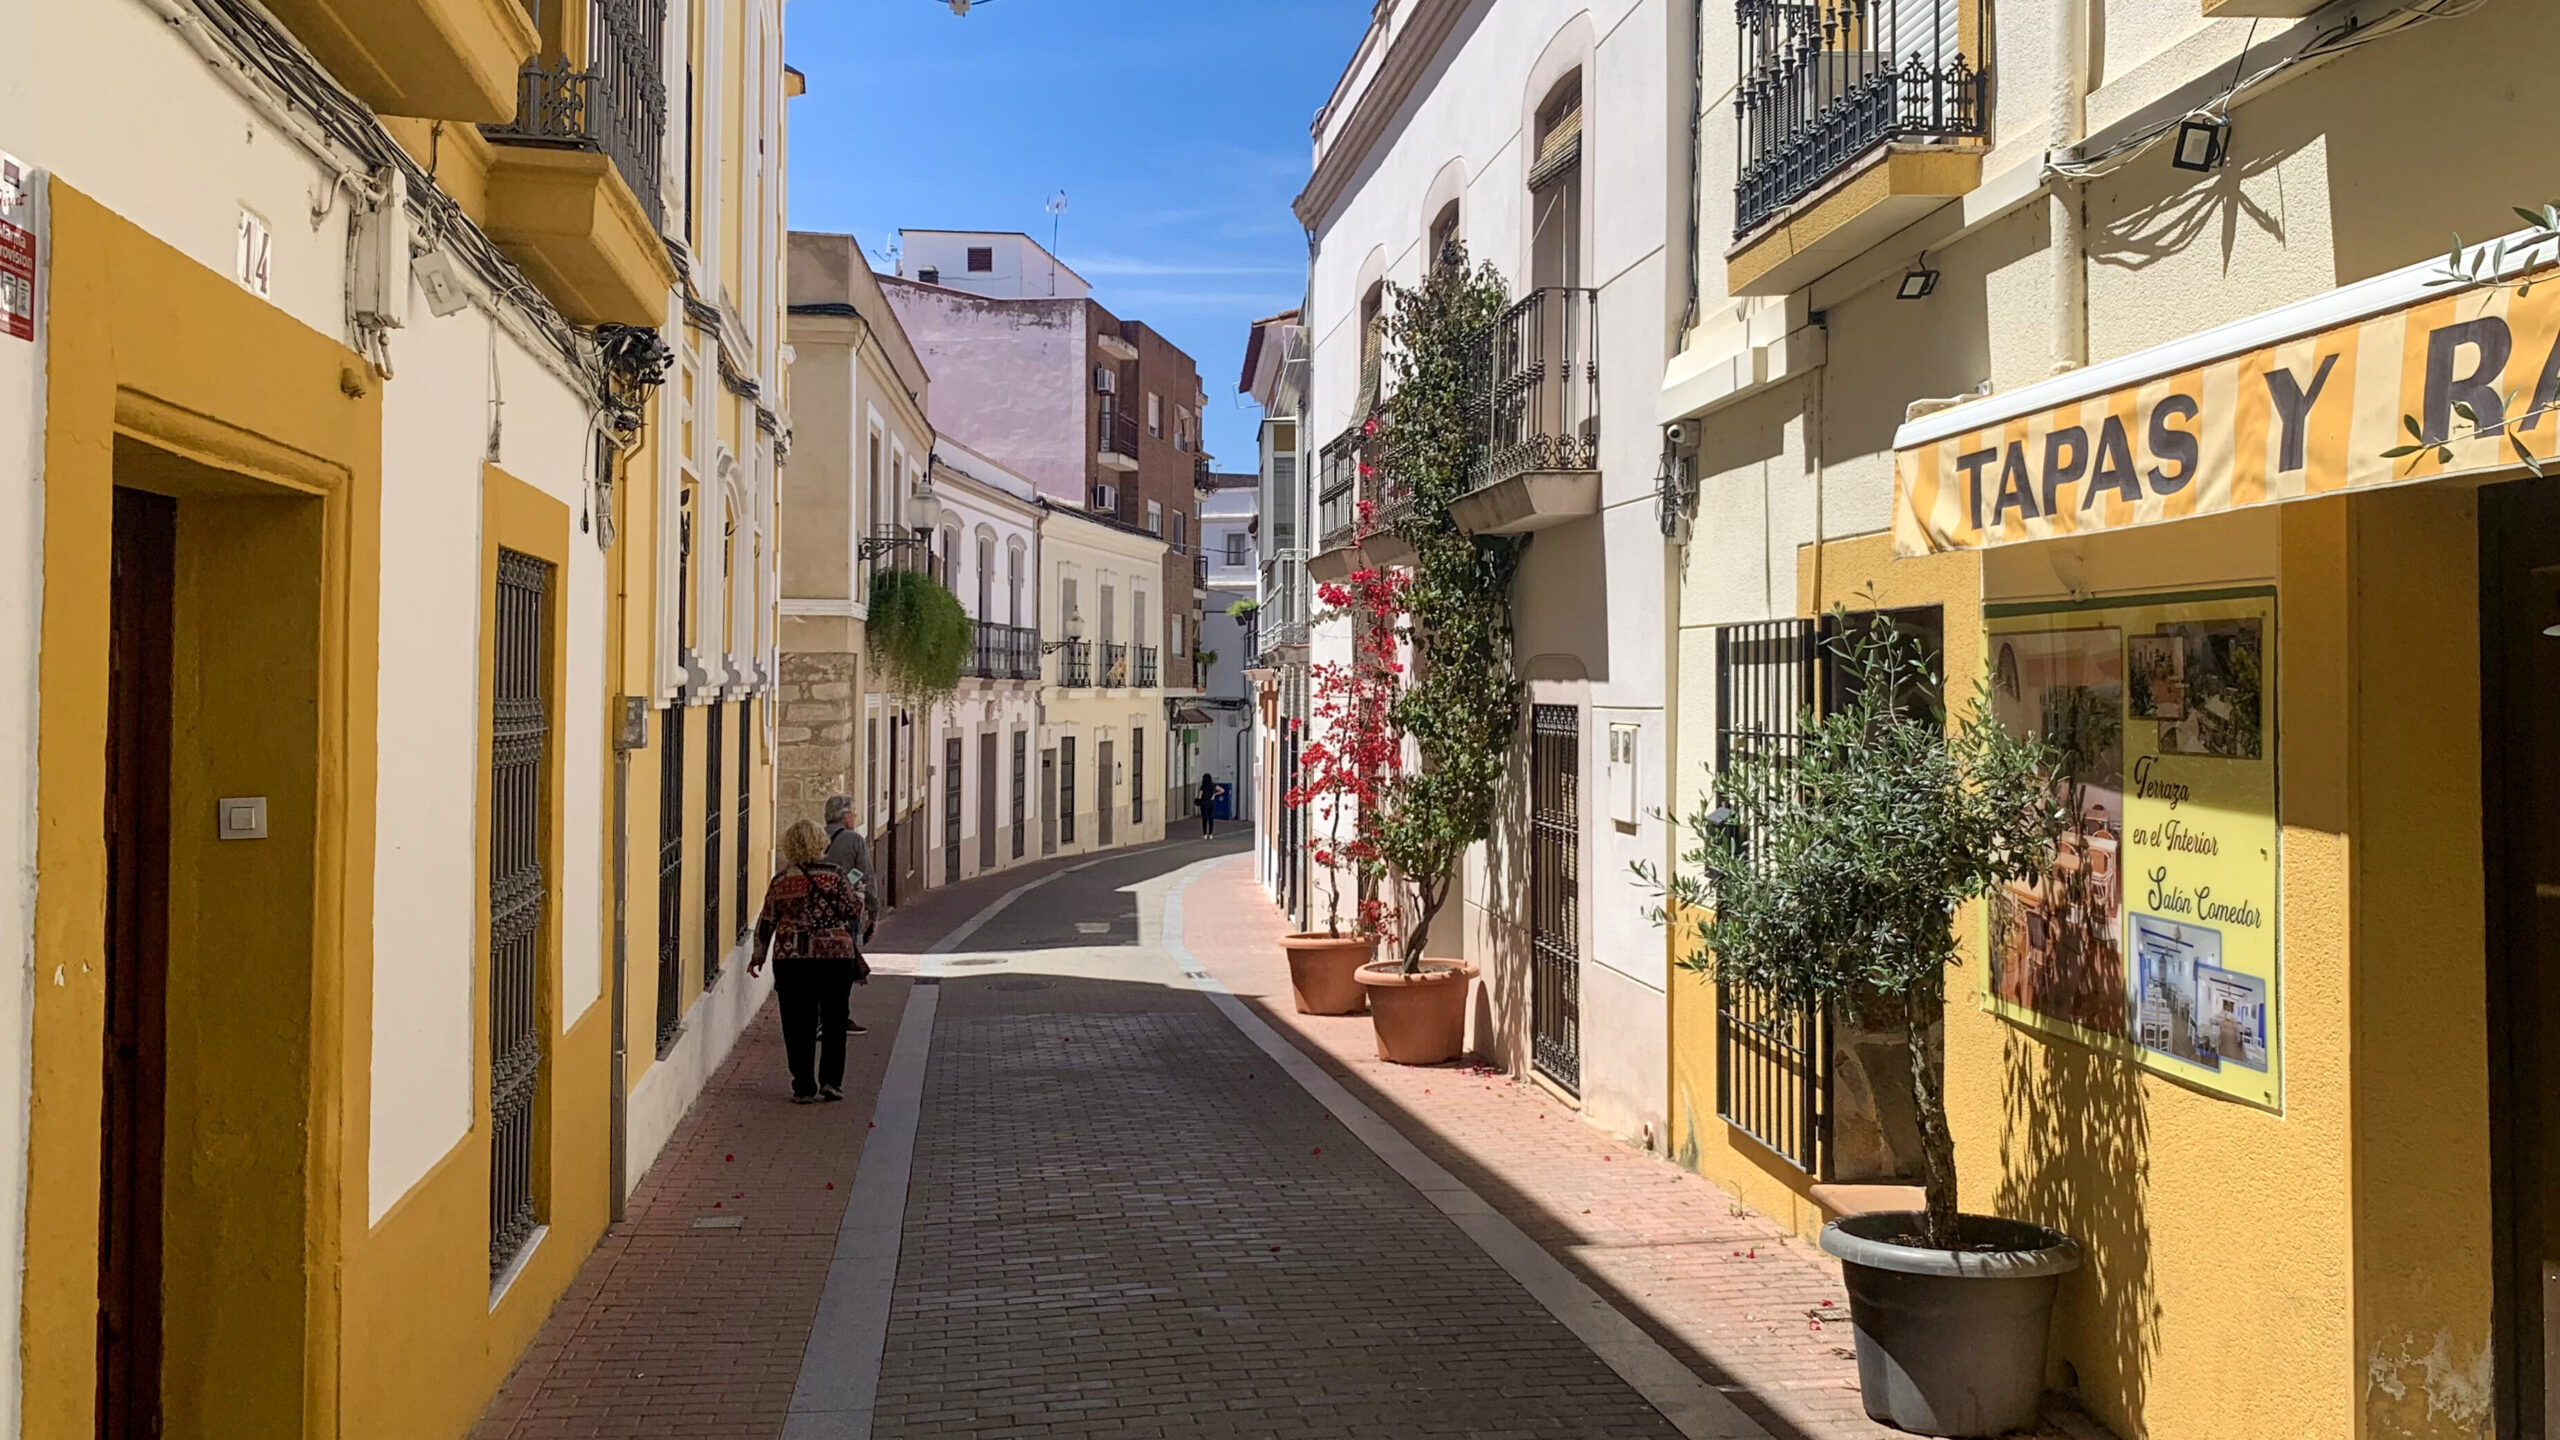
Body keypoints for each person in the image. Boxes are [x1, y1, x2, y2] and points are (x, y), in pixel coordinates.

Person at [750, 819, 870, 1103]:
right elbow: (851, 910)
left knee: (796, 1022)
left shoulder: (781, 881)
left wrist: (759, 955)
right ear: (820, 843)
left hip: (793, 958)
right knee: (834, 1018)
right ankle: (831, 1082)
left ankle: (803, 1085)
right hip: (834, 957)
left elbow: (767, 920)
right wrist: (861, 894)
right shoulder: (836, 875)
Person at [822, 793, 878, 945]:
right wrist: (873, 914)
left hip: (818, 911)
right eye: (853, 812)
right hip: (845, 909)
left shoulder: (816, 837)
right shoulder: (855, 841)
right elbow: (866, 876)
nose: (855, 815)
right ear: (845, 815)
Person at [1195, 772, 1224, 838]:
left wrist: (1197, 801)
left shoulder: (1202, 786)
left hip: (1204, 804)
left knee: (1204, 819)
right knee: (1211, 818)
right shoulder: (1213, 785)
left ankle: (1205, 834)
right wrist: (1214, 795)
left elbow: (1199, 796)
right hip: (1211, 803)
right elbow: (1222, 790)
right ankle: (1211, 834)